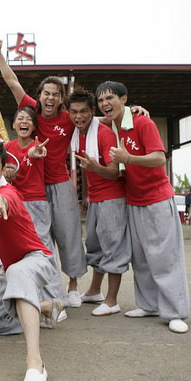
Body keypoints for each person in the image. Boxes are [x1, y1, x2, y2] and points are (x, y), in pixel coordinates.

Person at [0, 39, 86, 307]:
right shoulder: (31, 112)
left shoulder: (68, 118)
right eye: (46, 93)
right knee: (37, 240)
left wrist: (131, 113)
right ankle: (40, 289)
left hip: (60, 184)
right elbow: (12, 82)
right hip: (32, 189)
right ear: (40, 96)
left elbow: (94, 118)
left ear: (61, 99)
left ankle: (73, 286)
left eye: (56, 94)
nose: (50, 98)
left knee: (68, 235)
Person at [97, 80, 190, 333]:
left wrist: (129, 158)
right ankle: (149, 305)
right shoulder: (111, 124)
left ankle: (175, 312)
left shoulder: (142, 122)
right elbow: (85, 119)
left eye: (110, 98)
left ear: (123, 99)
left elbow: (159, 158)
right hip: (133, 201)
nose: (105, 104)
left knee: (164, 258)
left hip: (157, 199)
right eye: (101, 100)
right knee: (142, 259)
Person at [0, 139, 64, 381]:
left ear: (4, 170)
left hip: (36, 259)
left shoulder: (5, 193)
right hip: (9, 265)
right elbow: (4, 229)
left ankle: (36, 363)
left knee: (17, 271)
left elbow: (6, 203)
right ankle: (45, 307)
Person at [68, 88, 131, 316]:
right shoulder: (78, 134)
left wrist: (96, 168)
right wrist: (87, 195)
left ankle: (112, 301)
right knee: (94, 245)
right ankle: (95, 291)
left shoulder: (104, 134)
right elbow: (86, 170)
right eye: (74, 112)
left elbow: (114, 172)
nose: (79, 116)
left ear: (92, 111)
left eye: (84, 111)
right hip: (95, 198)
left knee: (113, 248)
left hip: (112, 198)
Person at [3, 106, 68, 322]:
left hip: (36, 203)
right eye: (20, 118)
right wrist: (5, 172)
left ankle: (56, 300)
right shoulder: (6, 148)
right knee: (17, 252)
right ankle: (27, 300)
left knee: (43, 250)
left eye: (28, 119)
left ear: (33, 126)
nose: (24, 121)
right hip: (13, 203)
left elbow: (34, 154)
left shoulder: (38, 146)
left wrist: (34, 153)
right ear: (14, 125)